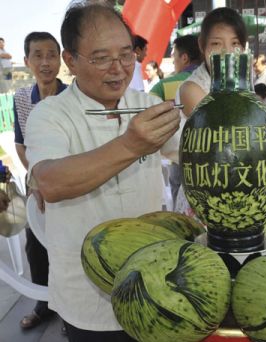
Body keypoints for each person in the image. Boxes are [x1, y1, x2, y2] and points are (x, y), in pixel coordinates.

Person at [24, 3, 180, 340]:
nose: (118, 69)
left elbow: (197, 147)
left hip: (155, 285)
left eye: (126, 55)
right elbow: (50, 181)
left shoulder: (150, 106)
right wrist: (131, 145)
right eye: (100, 58)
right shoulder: (50, 115)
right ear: (71, 60)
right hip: (88, 297)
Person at [177, 7, 266, 215]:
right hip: (209, 196)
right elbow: (226, 138)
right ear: (202, 46)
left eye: (235, 43)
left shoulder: (244, 84)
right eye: (216, 44)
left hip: (243, 190)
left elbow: (264, 136)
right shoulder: (192, 89)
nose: (227, 52)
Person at [13, 31, 67, 330]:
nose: (46, 62)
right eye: (38, 55)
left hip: (71, 185)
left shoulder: (73, 95)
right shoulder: (22, 98)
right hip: (36, 189)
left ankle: (71, 310)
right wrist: (37, 181)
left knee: (67, 245)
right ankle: (44, 305)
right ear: (26, 61)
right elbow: (21, 144)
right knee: (36, 247)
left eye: (52, 54)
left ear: (61, 59)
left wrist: (57, 181)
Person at [150, 34, 201, 209]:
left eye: (174, 58)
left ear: (184, 57)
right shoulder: (219, 83)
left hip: (180, 160)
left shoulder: (162, 86)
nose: (174, 63)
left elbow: (151, 123)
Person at [150, 34, 201, 102]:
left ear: (184, 58)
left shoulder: (161, 87)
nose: (173, 62)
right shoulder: (215, 81)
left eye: (174, 56)